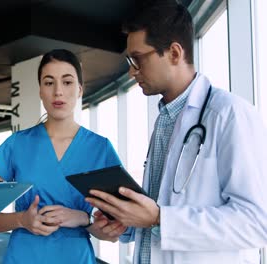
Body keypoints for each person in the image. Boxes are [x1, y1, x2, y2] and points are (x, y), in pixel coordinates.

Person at [86, 3, 267, 264]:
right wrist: (125, 221)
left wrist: (160, 218)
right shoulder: (165, 119)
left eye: (138, 59)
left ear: (173, 53)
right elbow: (162, 212)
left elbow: (256, 223)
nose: (131, 71)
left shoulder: (229, 115)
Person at [0, 49, 124, 264]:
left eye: (67, 82)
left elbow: (113, 232)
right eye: (49, 83)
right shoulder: (16, 145)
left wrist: (82, 218)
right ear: (40, 90)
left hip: (75, 257)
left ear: (79, 90)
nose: (58, 91)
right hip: (24, 256)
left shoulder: (100, 149)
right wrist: (22, 220)